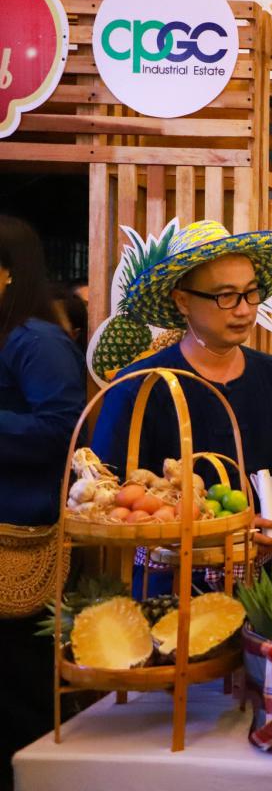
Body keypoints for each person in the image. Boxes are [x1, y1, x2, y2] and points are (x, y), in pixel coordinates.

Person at [92, 220, 272, 595]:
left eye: (251, 293)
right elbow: (111, 492)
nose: (243, 310)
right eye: (226, 296)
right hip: (168, 582)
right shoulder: (140, 385)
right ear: (183, 301)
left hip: (262, 580)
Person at [0, 217, 86, 786]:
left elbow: (61, 430)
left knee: (19, 689)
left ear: (9, 273)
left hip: (21, 543)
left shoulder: (37, 340)